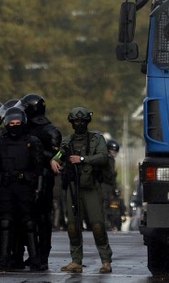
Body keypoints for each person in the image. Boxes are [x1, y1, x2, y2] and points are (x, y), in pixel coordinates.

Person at [50, 107, 112, 274]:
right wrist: (54, 161)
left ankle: (106, 260)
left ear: (87, 122)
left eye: (82, 121)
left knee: (98, 226)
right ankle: (76, 260)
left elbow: (103, 157)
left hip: (91, 186)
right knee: (72, 226)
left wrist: (83, 159)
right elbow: (60, 155)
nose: (79, 124)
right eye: (76, 121)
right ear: (71, 122)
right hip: (72, 188)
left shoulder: (96, 139)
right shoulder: (67, 141)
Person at [0, 107, 46, 271]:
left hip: (25, 187)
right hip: (5, 187)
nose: (14, 126)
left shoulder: (32, 142)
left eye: (17, 123)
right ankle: (4, 259)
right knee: (5, 223)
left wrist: (38, 189)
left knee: (29, 224)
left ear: (23, 123)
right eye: (11, 123)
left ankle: (35, 260)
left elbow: (39, 168)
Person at [21, 93, 62, 269]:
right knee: (28, 218)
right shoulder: (26, 127)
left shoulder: (49, 130)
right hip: (27, 178)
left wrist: (37, 153)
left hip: (43, 178)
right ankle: (33, 254)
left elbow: (58, 156)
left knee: (43, 218)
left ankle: (42, 255)